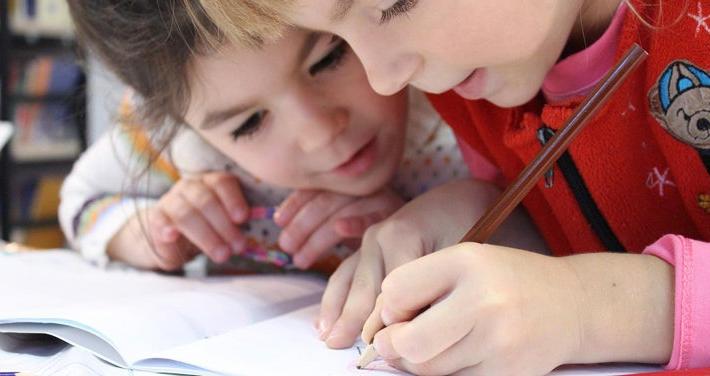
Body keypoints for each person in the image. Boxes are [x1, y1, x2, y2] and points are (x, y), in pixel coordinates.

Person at [194, 0, 710, 373]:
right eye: (344, 43)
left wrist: (588, 308)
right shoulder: (479, 85)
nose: (385, 80)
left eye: (393, 5)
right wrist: (494, 216)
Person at [60, 1, 545, 277]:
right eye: (248, 124)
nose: (318, 133)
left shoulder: (456, 91)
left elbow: (553, 242)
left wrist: (447, 219)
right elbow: (82, 200)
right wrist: (149, 233)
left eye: (328, 60)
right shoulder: (180, 146)